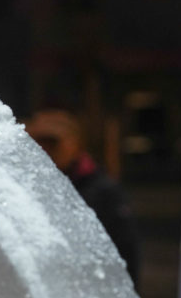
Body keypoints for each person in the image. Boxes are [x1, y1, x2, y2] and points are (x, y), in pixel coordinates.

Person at [26, 108, 141, 287]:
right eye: (37, 142)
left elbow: (124, 255)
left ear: (76, 144)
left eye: (52, 143)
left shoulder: (103, 192)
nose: (44, 150)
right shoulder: (28, 186)